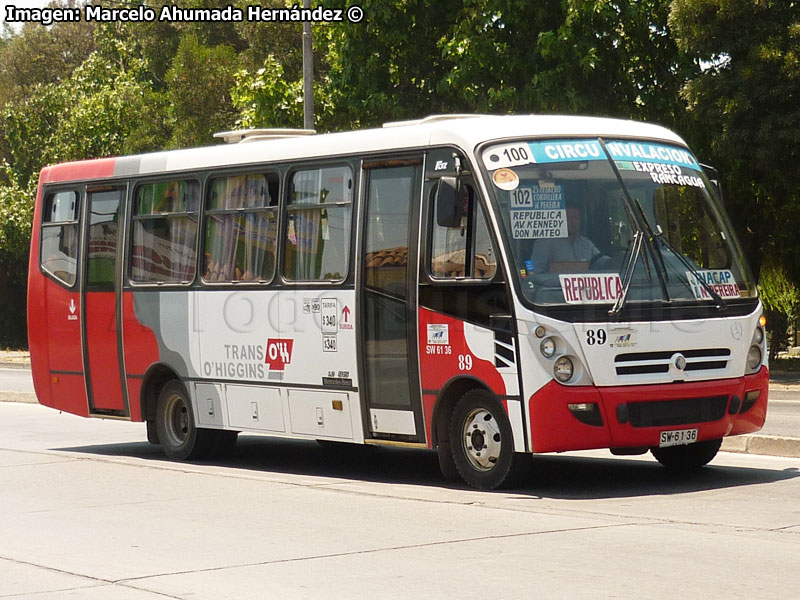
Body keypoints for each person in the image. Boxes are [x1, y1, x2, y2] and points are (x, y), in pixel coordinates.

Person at [530, 205, 601, 277]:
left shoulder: (586, 243)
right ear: (560, 219)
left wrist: (610, 263)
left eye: (575, 218)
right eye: (568, 217)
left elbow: (601, 261)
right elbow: (535, 274)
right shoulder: (545, 242)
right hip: (555, 288)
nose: (572, 221)